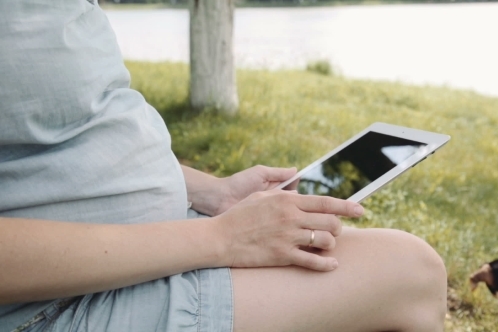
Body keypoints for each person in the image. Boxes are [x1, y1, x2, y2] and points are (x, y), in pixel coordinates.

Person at [0, 1, 447, 331]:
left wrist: (210, 192)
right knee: (411, 270)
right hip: (55, 301)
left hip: (157, 239)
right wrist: (222, 239)